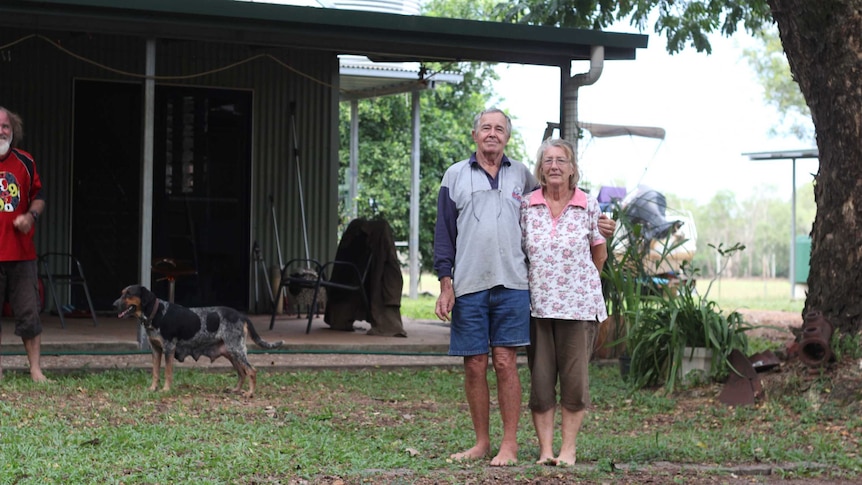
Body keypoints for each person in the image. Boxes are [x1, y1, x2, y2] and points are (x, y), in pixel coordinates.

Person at [433, 108, 614, 466]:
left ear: (508, 137)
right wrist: (445, 283)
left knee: (505, 361)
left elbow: (567, 214)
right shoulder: (454, 175)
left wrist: (600, 233)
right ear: (474, 135)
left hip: (514, 285)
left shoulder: (522, 178)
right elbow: (444, 234)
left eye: (499, 129)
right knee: (474, 363)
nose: (492, 134)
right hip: (469, 282)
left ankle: (510, 445)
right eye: (486, 127)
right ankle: (481, 442)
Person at [519, 138, 607, 466]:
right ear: (540, 169)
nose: (554, 166)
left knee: (575, 382)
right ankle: (545, 451)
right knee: (541, 383)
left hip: (579, 308)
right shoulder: (527, 205)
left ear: (573, 169)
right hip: (537, 307)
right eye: (548, 160)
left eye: (562, 160)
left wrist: (578, 284)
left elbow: (599, 253)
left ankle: (568, 450)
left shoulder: (589, 204)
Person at [0, 106, 48, 382]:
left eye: (6, 126)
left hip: (21, 254)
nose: (1, 131)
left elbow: (38, 197)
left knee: (29, 312)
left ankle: (35, 369)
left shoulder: (25, 162)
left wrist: (31, 216)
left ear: (13, 130)